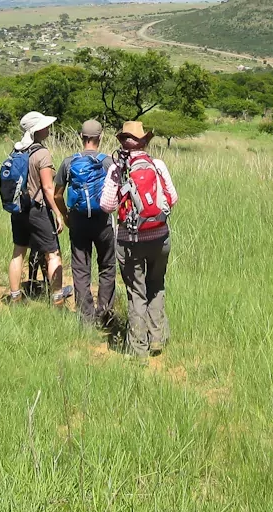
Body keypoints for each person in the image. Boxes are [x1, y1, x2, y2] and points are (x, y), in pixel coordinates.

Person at [99, 121, 178, 357]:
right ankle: (157, 339)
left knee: (136, 292)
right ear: (144, 141)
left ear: (123, 142)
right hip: (160, 237)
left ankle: (138, 349)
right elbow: (172, 198)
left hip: (130, 240)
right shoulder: (157, 164)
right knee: (157, 286)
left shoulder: (117, 169)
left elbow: (107, 205)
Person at [54, 120, 117, 327]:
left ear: (81, 137)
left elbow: (57, 195)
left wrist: (65, 216)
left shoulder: (69, 162)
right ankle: (105, 313)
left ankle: (86, 317)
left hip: (78, 220)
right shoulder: (108, 162)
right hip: (103, 220)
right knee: (107, 266)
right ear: (100, 138)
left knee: (81, 269)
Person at [5, 111, 70, 305]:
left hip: (18, 209)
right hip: (38, 209)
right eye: (44, 126)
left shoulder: (17, 151)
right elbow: (48, 188)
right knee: (53, 254)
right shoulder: (41, 153)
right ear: (37, 130)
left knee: (18, 253)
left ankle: (15, 297)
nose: (48, 128)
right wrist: (58, 213)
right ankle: (58, 299)